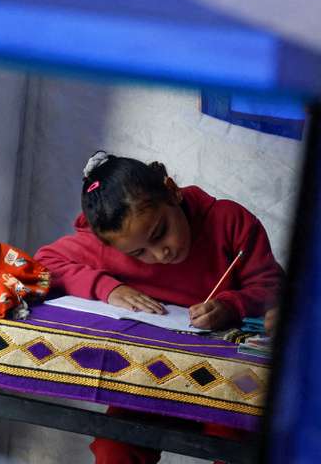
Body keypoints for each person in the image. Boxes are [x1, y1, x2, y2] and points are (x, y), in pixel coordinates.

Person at [34, 151, 284, 464]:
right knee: (116, 448)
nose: (160, 253)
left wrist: (232, 305)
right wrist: (108, 288)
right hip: (151, 375)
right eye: (139, 253)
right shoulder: (108, 242)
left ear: (171, 191)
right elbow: (44, 263)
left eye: (159, 233)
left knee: (238, 449)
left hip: (229, 382)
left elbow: (272, 289)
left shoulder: (228, 221)